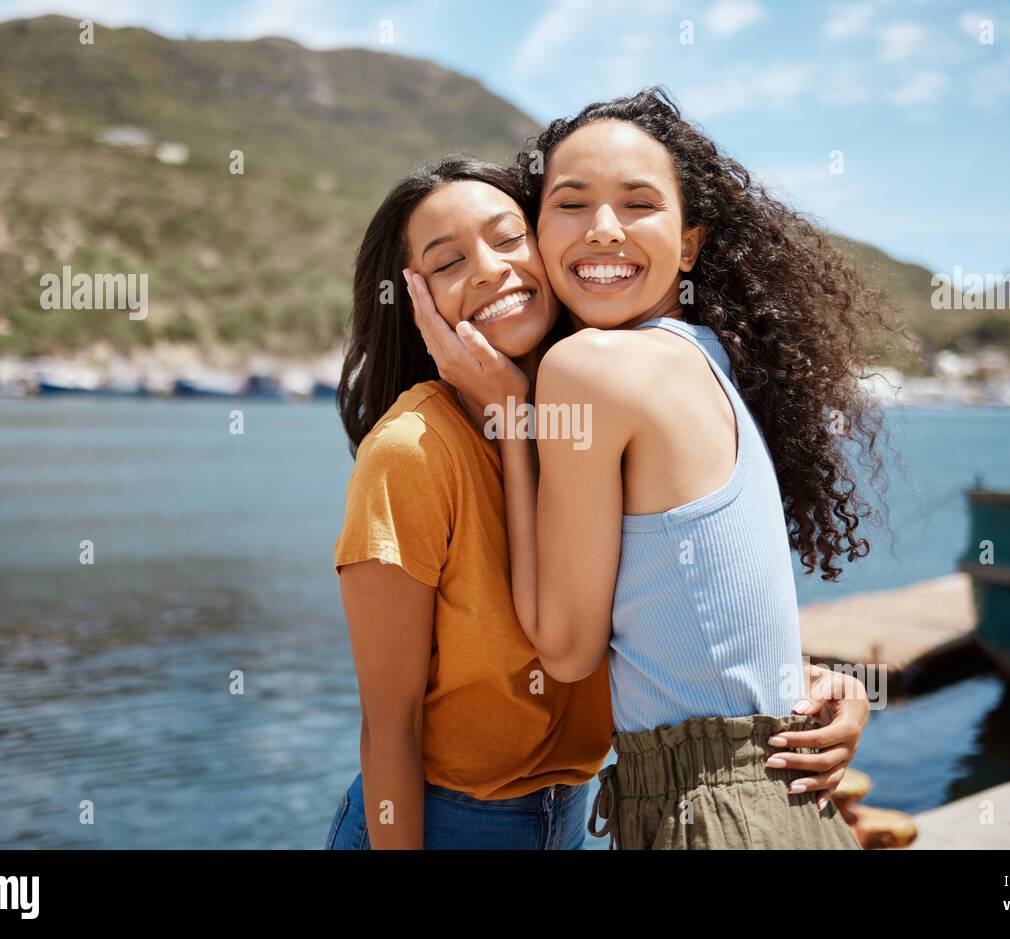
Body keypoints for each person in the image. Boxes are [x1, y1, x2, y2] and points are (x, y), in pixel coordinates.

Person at [329, 154, 870, 851]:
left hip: (576, 817)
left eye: (507, 237)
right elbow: (387, 722)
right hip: (444, 823)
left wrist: (814, 688)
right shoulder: (412, 452)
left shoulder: (595, 418)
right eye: (448, 262)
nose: (491, 269)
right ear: (413, 300)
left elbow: (674, 616)